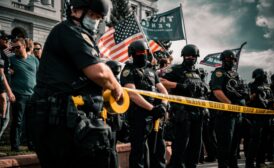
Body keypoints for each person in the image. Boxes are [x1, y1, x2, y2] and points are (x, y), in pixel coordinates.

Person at [28, 0, 123, 167]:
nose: (96, 21)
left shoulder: (78, 34)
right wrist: (116, 87)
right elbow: (99, 72)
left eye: (99, 18)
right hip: (61, 121)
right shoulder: (69, 30)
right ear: (76, 11)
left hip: (65, 118)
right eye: (93, 15)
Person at [120, 39, 168, 168]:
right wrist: (152, 109)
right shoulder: (128, 70)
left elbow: (162, 90)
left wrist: (163, 104)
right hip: (139, 115)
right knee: (139, 151)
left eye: (145, 51)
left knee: (158, 149)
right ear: (132, 54)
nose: (143, 54)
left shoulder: (151, 70)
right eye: (139, 52)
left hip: (155, 114)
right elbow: (132, 94)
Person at [161, 44, 206, 168]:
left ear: (196, 57)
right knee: (181, 146)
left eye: (193, 56)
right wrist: (180, 86)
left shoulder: (199, 72)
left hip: (198, 113)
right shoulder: (175, 69)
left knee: (196, 145)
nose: (190, 58)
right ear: (183, 56)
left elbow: (204, 89)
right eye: (187, 55)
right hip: (182, 113)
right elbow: (161, 82)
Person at [209, 50, 246, 168]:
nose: (231, 61)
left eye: (232, 60)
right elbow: (217, 91)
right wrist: (230, 105)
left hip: (237, 114)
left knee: (235, 146)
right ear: (223, 60)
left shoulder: (235, 74)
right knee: (225, 146)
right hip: (225, 115)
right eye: (228, 59)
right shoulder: (219, 72)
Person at [9, 37, 39, 151]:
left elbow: (39, 75)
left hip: (32, 95)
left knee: (31, 121)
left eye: (18, 47)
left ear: (24, 46)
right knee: (18, 121)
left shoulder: (34, 59)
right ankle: (15, 146)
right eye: (14, 47)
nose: (16, 49)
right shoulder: (12, 59)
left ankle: (31, 144)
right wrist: (11, 47)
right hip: (19, 94)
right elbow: (2, 53)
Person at [245, 68, 274, 168]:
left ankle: (260, 163)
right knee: (255, 142)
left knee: (264, 142)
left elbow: (271, 100)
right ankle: (249, 164)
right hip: (256, 118)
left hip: (267, 117)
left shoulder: (267, 87)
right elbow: (248, 101)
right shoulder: (251, 86)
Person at [0, 30, 15, 140]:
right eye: (5, 39)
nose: (8, 41)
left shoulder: (6, 51)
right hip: (3, 87)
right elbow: (1, 73)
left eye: (8, 39)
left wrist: (10, 70)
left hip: (7, 86)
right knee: (3, 117)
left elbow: (13, 62)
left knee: (6, 119)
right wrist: (7, 91)